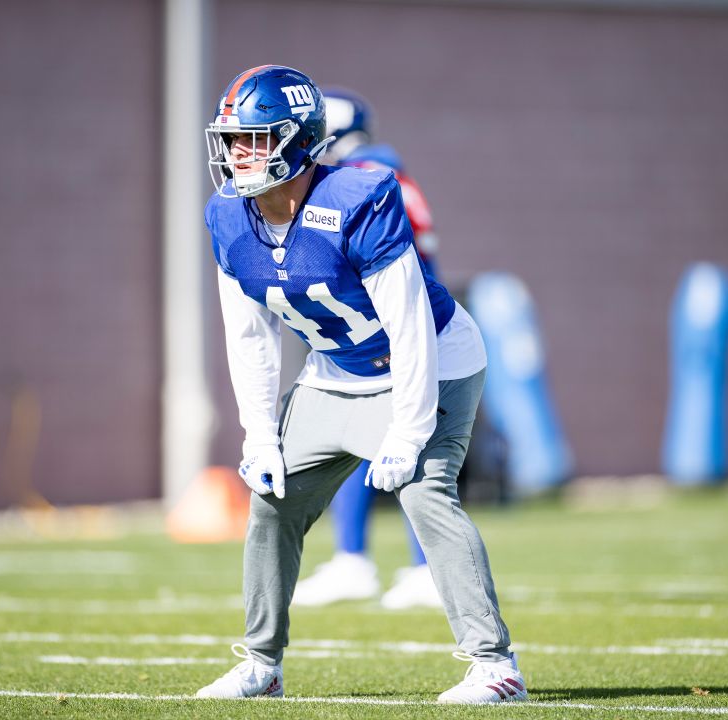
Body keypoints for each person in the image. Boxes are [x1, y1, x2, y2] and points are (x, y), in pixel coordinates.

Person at [194, 65, 526, 704]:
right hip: (335, 375)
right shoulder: (229, 218)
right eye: (232, 140)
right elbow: (250, 337)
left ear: (297, 141)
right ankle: (263, 665)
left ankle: (496, 665)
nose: (239, 155)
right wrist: (259, 436)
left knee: (425, 493)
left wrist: (406, 429)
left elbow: (409, 327)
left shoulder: (359, 198)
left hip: (432, 360)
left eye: (256, 139)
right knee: (272, 502)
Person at [290, 87, 443, 610]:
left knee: (413, 446)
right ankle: (353, 559)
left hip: (394, 327)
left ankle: (425, 567)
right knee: (359, 443)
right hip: (370, 328)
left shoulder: (368, 176)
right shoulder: (376, 172)